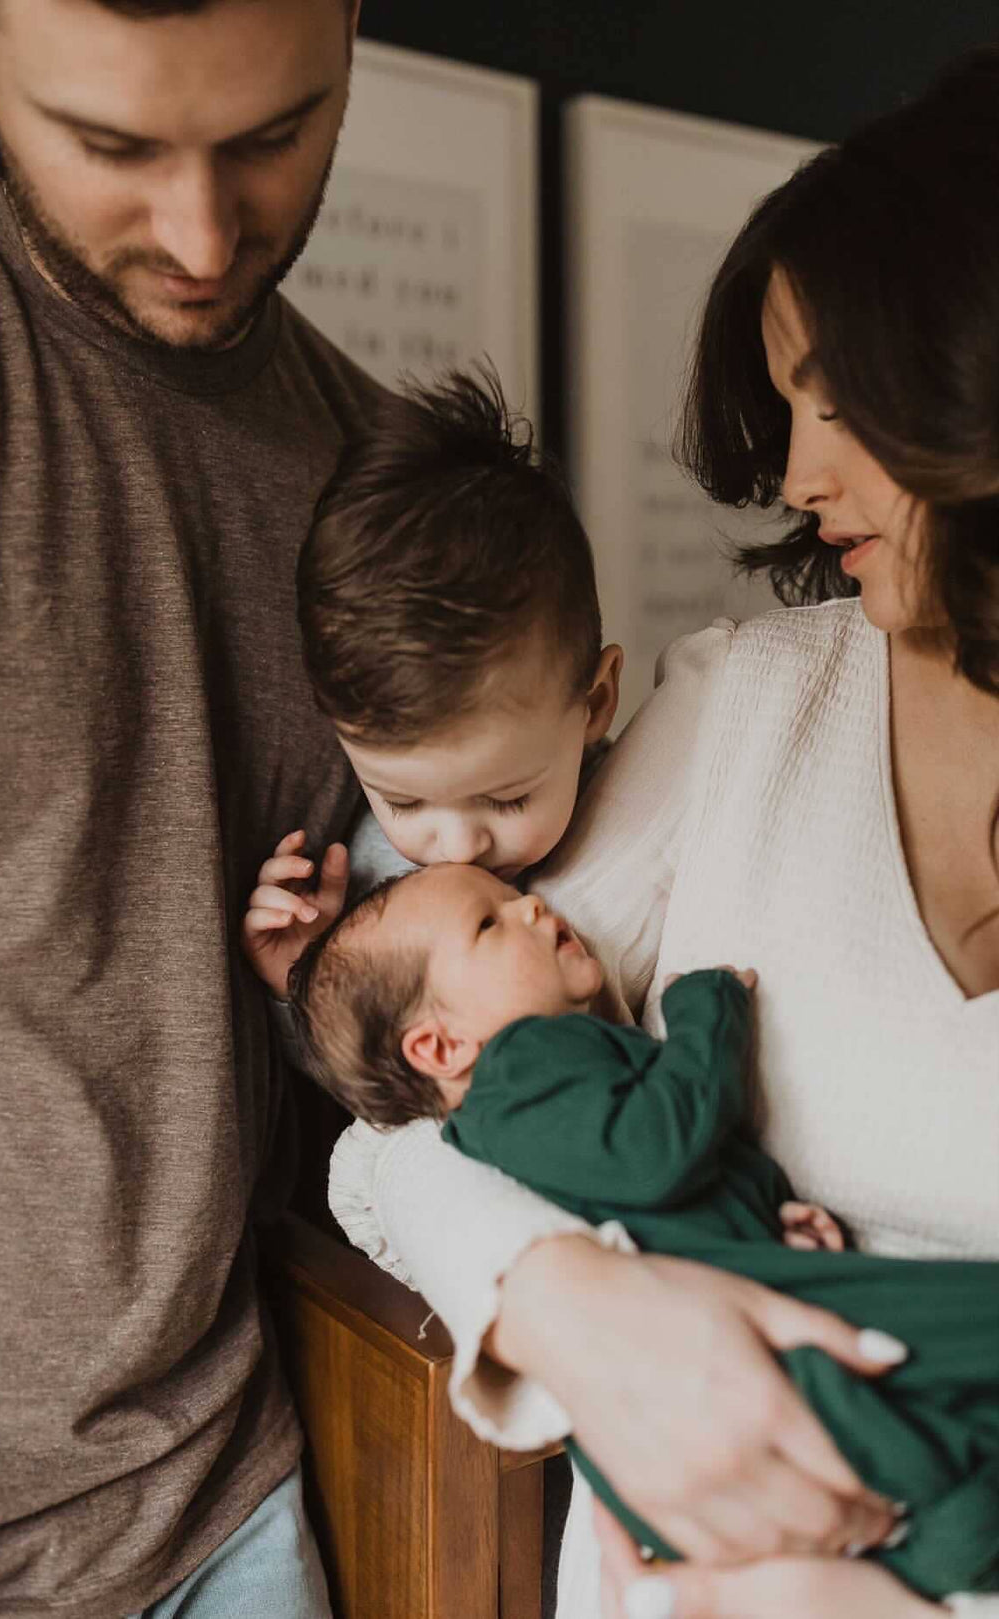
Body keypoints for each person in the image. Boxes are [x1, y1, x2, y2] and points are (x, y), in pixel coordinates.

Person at [326, 45, 999, 1619]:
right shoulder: (752, 709)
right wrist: (563, 1302)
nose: (799, 471)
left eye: (843, 407)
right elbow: (398, 1135)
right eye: (787, 405)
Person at [0, 0, 390, 1613]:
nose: (204, 234)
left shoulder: (379, 480)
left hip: (226, 1501)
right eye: (116, 147)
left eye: (271, 136)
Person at [288, 859, 999, 1601]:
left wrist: (767, 1216)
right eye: (489, 922)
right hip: (728, 1344)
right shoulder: (524, 1065)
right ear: (440, 1047)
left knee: (914, 1479)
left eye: (512, 898)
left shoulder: (520, 1108)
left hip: (725, 1353)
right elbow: (658, 1151)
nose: (533, 907)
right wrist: (706, 1007)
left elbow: (642, 1198)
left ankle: (944, 1545)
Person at [240, 366, 623, 996]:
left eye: (507, 800)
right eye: (405, 802)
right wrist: (308, 981)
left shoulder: (632, 808)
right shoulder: (369, 896)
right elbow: (376, 1083)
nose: (456, 847)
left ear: (596, 701)